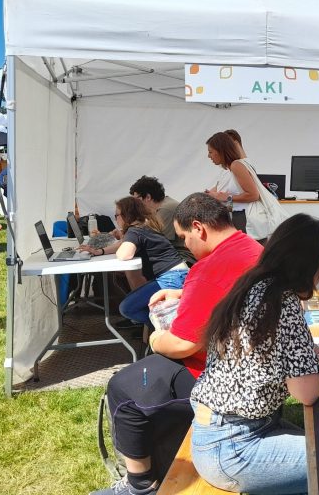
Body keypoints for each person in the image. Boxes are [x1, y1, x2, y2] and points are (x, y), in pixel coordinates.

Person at [90, 193, 264, 495]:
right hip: (252, 367)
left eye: (185, 238)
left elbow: (183, 344)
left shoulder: (209, 268)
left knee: (122, 388)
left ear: (199, 228)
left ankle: (139, 485)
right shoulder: (253, 248)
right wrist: (183, 295)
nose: (187, 247)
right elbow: (230, 294)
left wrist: (156, 337)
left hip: (220, 379)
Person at [189, 213, 319, 494]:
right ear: (308, 265)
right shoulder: (283, 302)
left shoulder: (252, 285)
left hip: (219, 432)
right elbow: (307, 392)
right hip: (234, 446)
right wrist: (316, 363)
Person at [80, 196, 188, 330]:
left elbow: (125, 254)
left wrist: (123, 241)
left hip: (170, 278)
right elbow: (122, 245)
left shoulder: (134, 231)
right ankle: (161, 327)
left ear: (126, 215)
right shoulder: (144, 226)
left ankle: (165, 329)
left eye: (117, 215)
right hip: (177, 274)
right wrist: (100, 251)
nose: (116, 219)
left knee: (127, 308)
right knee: (133, 305)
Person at [204, 131, 265, 240]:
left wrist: (225, 197)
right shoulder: (230, 168)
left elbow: (254, 195)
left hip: (245, 220)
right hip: (238, 218)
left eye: (211, 152)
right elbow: (233, 201)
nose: (209, 156)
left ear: (221, 151)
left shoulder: (236, 165)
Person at [128, 176, 188, 255]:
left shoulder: (165, 209)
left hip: (183, 256)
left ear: (148, 197)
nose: (135, 204)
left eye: (136, 200)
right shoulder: (164, 206)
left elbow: (157, 243)